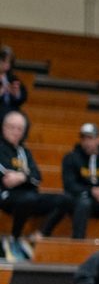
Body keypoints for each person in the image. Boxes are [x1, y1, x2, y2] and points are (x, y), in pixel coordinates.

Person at [0, 111, 70, 259]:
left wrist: (22, 177)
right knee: (27, 198)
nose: (16, 132)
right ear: (3, 127)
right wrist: (26, 177)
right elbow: (6, 177)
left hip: (29, 195)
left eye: (20, 129)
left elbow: (37, 177)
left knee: (65, 199)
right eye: (12, 127)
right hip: (6, 194)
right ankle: (15, 238)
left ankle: (39, 236)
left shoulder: (24, 151)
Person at [0, 46, 27, 120]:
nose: (7, 64)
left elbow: (22, 97)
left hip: (11, 112)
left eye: (9, 62)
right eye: (4, 61)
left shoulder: (12, 78)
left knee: (23, 120)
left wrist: (16, 93)